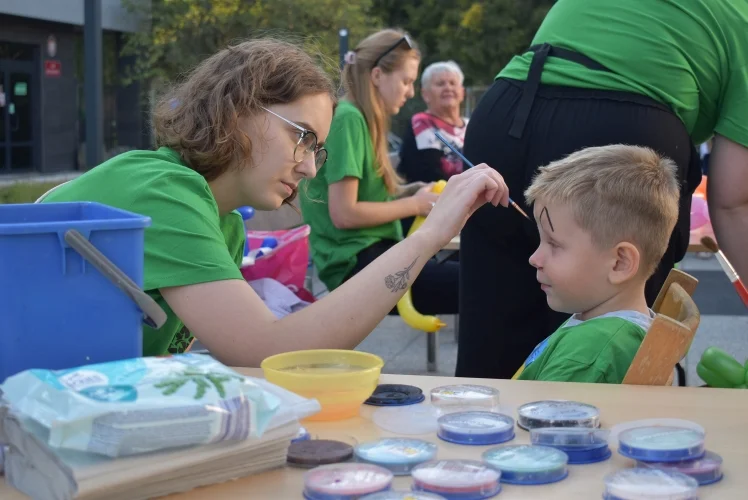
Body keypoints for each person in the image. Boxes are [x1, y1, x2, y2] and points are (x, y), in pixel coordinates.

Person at [42, 38, 510, 367]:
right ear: (237, 107)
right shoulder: (164, 188)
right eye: (302, 137)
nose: (309, 168)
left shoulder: (225, 225)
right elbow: (271, 352)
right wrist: (429, 234)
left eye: (316, 150)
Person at [456, 0, 748, 380]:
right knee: (609, 333)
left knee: (491, 353)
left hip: (506, 109)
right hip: (624, 123)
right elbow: (732, 202)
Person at [301, 30, 460, 316]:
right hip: (356, 265)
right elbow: (345, 213)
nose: (410, 92)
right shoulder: (349, 118)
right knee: (483, 284)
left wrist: (412, 190)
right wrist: (415, 204)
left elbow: (367, 195)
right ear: (377, 76)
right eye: (407, 81)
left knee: (482, 275)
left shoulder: (361, 119)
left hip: (375, 254)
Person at [513, 145, 679, 383]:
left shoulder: (588, 355)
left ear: (619, 263)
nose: (534, 259)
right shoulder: (600, 330)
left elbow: (545, 420)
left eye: (554, 244)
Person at [398, 60, 469, 184]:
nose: (448, 88)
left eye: (453, 83)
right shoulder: (421, 123)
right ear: (426, 94)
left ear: (462, 92)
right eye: (440, 84)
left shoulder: (470, 125)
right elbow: (428, 173)